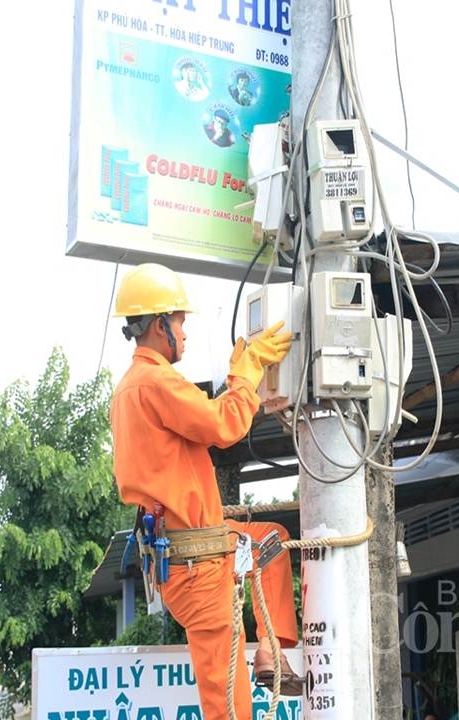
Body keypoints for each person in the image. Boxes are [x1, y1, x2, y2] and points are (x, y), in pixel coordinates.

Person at [109, 263, 302, 720]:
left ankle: (273, 654)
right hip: (196, 565)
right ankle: (267, 658)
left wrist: (242, 379)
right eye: (180, 323)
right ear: (160, 325)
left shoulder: (129, 389)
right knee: (227, 707)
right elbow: (225, 424)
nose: (185, 333)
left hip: (188, 555)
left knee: (268, 541)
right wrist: (246, 372)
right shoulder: (155, 381)